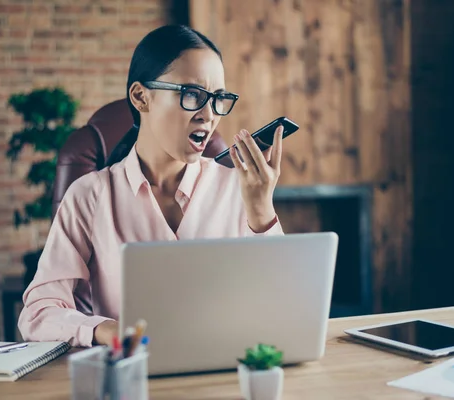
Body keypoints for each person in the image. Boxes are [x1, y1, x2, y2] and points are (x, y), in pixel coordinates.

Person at [17, 25, 285, 347]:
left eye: (218, 99)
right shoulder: (90, 196)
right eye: (192, 95)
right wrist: (106, 331)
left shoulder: (238, 188)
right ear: (141, 97)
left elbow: (280, 306)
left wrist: (261, 211)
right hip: (132, 376)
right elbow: (38, 314)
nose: (209, 115)